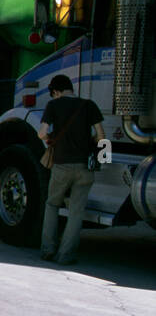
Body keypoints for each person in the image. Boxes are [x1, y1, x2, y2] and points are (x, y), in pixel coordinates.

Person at [38, 74, 105, 265]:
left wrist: (50, 139)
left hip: (61, 165)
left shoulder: (53, 106)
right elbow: (101, 136)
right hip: (85, 167)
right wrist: (92, 145)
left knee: (52, 205)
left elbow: (41, 133)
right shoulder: (88, 105)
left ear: (56, 91)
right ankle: (65, 255)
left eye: (53, 94)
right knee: (76, 211)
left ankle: (48, 249)